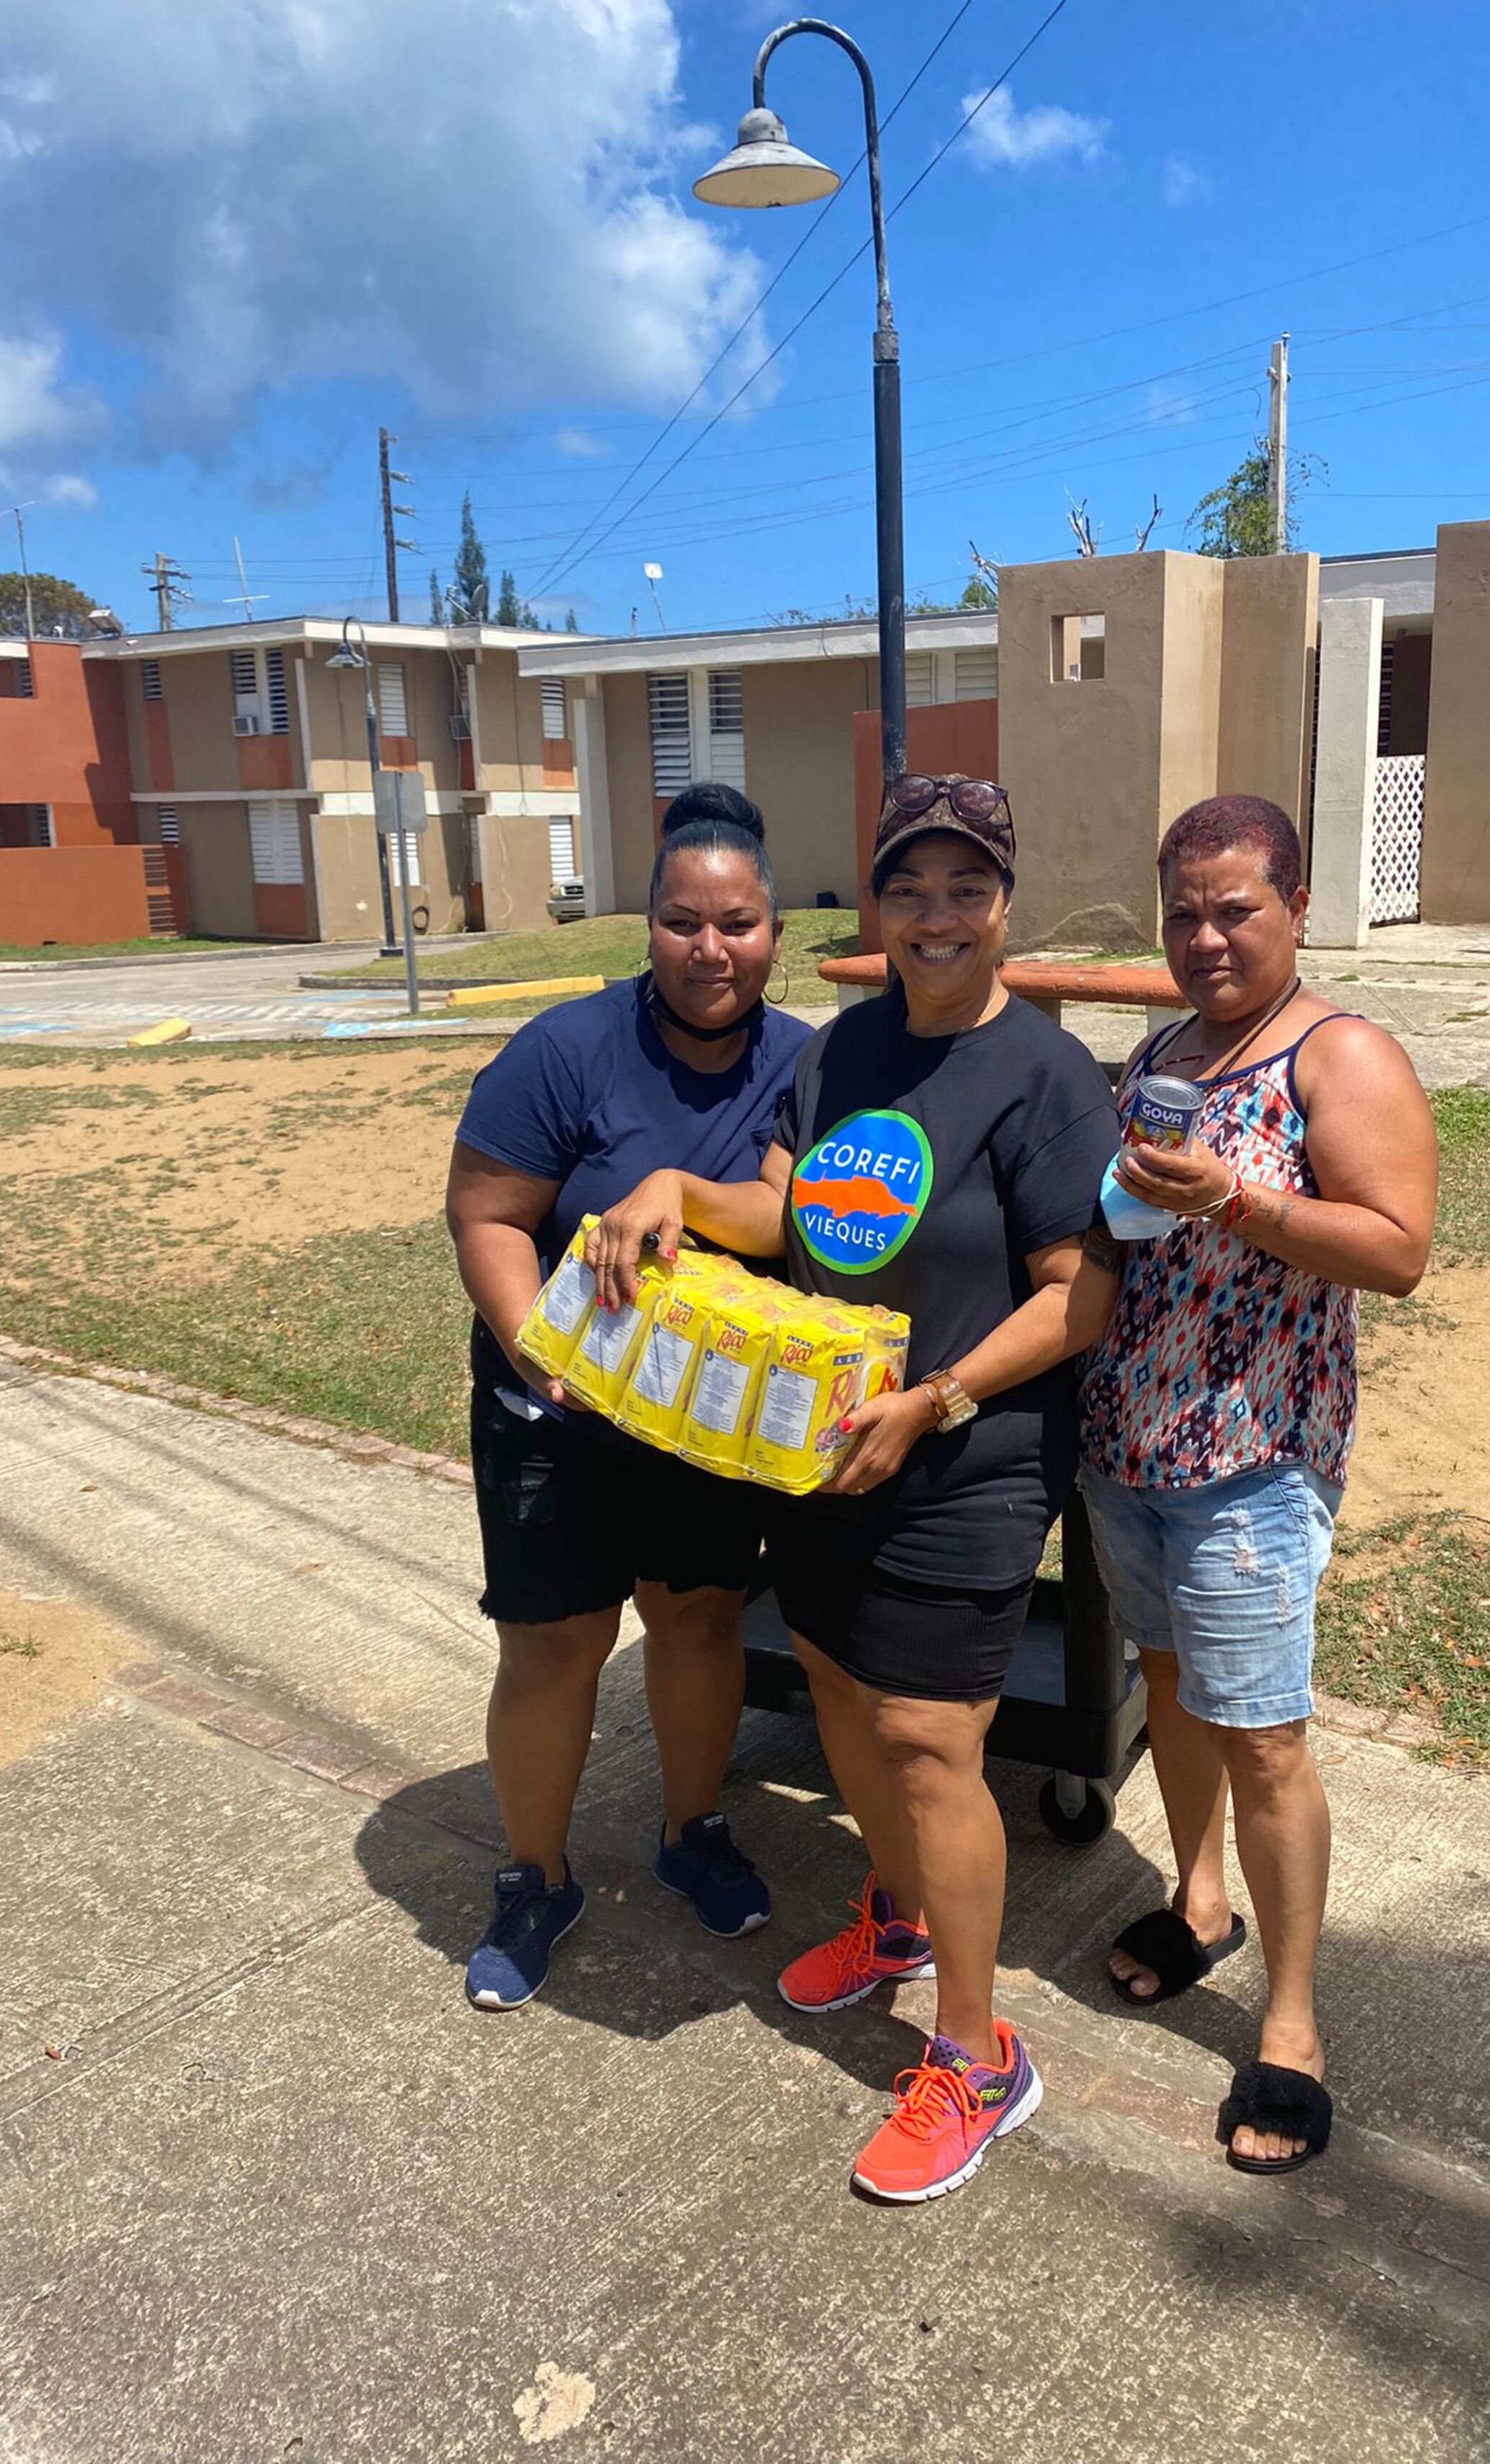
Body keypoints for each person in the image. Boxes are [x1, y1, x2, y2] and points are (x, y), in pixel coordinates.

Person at [588, 775, 1120, 2203]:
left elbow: (1078, 1300)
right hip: (825, 1447)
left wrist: (939, 1398)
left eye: (964, 887)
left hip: (966, 1457)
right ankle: (892, 1918)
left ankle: (973, 2053)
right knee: (829, 1686)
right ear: (874, 907)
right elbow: (790, 1209)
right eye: (908, 888)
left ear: (1003, 901)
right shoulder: (839, 1054)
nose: (935, 914)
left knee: (926, 1737)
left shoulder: (1048, 1081)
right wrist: (672, 1196)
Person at [1079, 793, 1438, 2174]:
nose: (1206, 933)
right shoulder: (1161, 1049)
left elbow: (1397, 1249)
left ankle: (1289, 2030)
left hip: (1252, 1460)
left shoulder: (1334, 1055)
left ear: (1294, 906)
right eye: (1183, 908)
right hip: (1129, 1444)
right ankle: (1200, 1897)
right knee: (1163, 1687)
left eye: (1236, 906)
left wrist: (1234, 1199)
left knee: (1267, 1735)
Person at [443, 784, 811, 2012]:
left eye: (740, 923)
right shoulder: (565, 1048)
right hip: (555, 1412)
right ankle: (534, 1876)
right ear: (646, 926)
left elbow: (789, 1213)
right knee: (553, 1645)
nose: (712, 949)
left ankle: (691, 1829)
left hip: (701, 1422)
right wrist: (527, 1347)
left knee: (699, 1618)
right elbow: (488, 1211)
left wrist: (676, 1189)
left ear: (776, 932)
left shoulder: (801, 1066)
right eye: (683, 921)